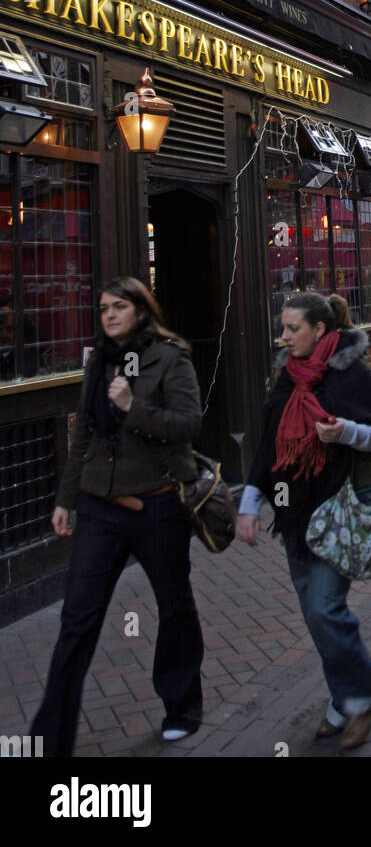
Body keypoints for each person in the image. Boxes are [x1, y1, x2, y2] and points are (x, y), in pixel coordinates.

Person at [31, 277, 204, 756]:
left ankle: (182, 706)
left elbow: (189, 425)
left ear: (141, 309)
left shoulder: (171, 357)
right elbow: (83, 437)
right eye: (103, 308)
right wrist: (66, 500)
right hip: (101, 508)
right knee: (77, 619)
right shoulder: (99, 362)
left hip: (157, 505)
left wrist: (134, 407)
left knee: (175, 606)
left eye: (118, 307)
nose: (108, 316)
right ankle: (50, 736)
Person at [237, 292, 371, 749]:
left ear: (319, 330)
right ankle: (342, 696)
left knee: (326, 608)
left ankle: (363, 693)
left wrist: (344, 431)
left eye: (292, 329)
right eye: (282, 328)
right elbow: (268, 445)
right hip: (294, 515)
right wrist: (250, 503)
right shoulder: (287, 375)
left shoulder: (351, 374)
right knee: (314, 615)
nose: (283, 337)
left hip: (339, 510)